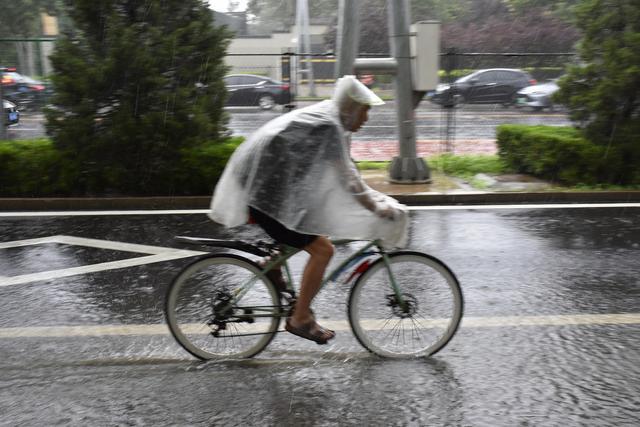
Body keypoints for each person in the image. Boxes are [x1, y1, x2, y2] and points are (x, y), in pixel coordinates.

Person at [210, 75, 408, 344]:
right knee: (323, 249)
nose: (367, 118)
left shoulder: (327, 119)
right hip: (262, 194)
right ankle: (300, 318)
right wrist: (377, 208)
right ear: (350, 108)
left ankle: (272, 265)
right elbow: (348, 181)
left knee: (308, 223)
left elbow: (345, 175)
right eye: (365, 110)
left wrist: (375, 200)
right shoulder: (327, 126)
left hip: (264, 190)